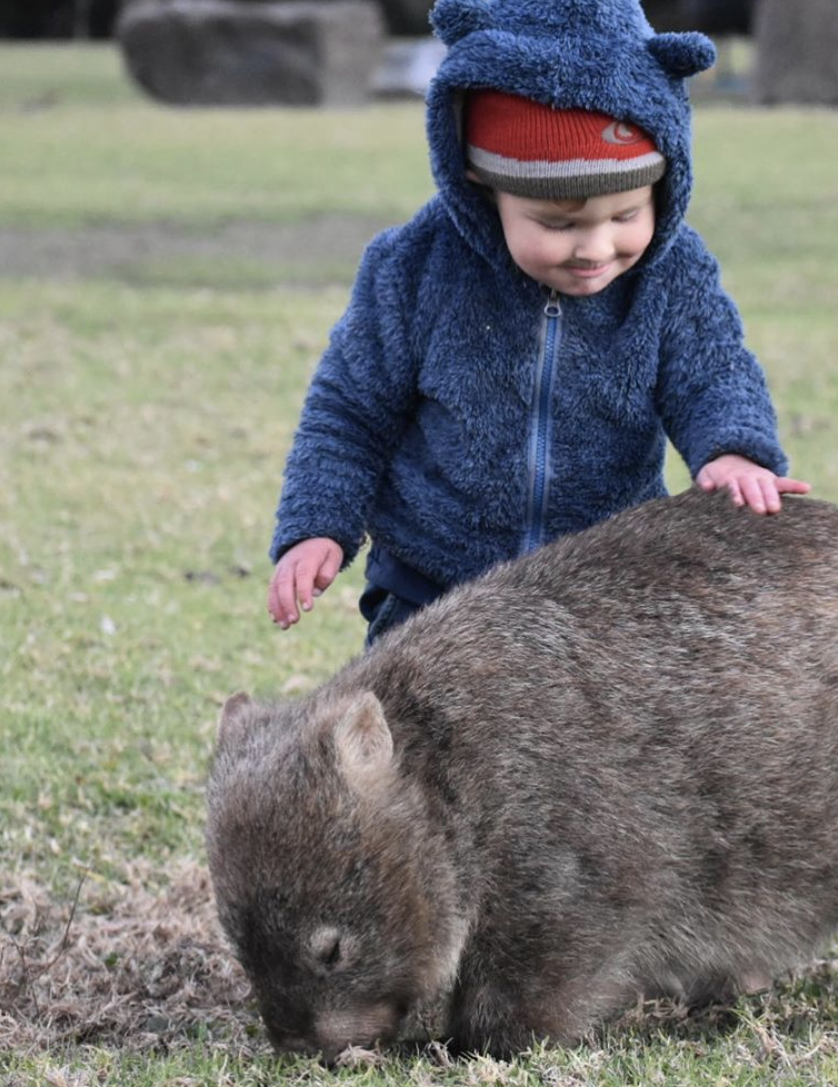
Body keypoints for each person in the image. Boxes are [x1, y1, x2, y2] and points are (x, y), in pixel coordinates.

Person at [267, 0, 810, 643]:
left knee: (604, 742)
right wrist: (317, 526)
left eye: (627, 215)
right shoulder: (412, 267)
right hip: (434, 585)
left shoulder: (673, 271)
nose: (596, 249)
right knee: (424, 738)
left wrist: (733, 451)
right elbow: (349, 410)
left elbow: (713, 371)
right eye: (558, 224)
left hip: (606, 583)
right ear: (478, 179)